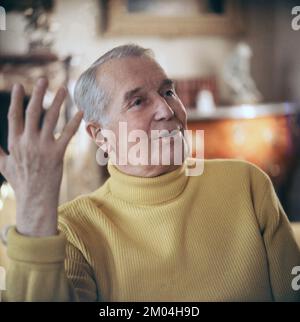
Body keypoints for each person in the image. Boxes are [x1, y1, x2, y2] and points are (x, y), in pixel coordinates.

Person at [0, 44, 299, 302]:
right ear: (100, 136)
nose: (167, 110)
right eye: (138, 101)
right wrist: (34, 210)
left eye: (168, 92)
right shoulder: (74, 230)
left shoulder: (247, 184)